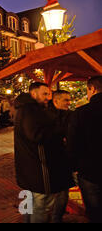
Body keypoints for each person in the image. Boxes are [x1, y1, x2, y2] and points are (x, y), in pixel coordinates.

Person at [14, 82, 73, 223]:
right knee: (41, 207)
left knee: (32, 204)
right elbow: (37, 135)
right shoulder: (30, 110)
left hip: (30, 167)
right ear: (33, 94)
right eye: (44, 94)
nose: (48, 97)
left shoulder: (27, 109)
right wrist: (61, 130)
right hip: (38, 168)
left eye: (49, 94)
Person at [68, 76, 102, 223]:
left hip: (89, 171)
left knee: (94, 212)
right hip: (89, 169)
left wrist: (74, 166)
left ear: (92, 89)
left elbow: (72, 143)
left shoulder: (81, 113)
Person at [44, 90, 74, 223]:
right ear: (56, 101)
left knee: (63, 192)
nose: (69, 102)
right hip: (49, 160)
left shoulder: (71, 115)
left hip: (65, 160)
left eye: (69, 99)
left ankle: (57, 218)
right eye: (66, 100)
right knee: (48, 195)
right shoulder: (45, 116)